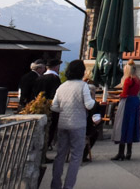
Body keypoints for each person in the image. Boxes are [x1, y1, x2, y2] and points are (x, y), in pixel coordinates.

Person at [49, 59, 95, 189]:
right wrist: (93, 99)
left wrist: (64, 110)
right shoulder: (82, 86)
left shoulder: (62, 86)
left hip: (63, 123)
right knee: (75, 156)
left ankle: (55, 184)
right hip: (78, 124)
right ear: (82, 72)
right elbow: (89, 105)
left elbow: (54, 107)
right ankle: (68, 186)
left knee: (60, 155)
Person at [112, 60, 140, 160]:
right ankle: (129, 152)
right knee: (131, 126)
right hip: (135, 101)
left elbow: (124, 94)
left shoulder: (128, 80)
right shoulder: (138, 80)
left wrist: (117, 96)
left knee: (123, 125)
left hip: (127, 102)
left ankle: (121, 153)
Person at [40, 58, 63, 150]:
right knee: (50, 129)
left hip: (40, 106)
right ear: (56, 67)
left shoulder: (40, 77)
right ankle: (46, 147)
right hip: (51, 108)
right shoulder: (54, 78)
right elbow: (56, 95)